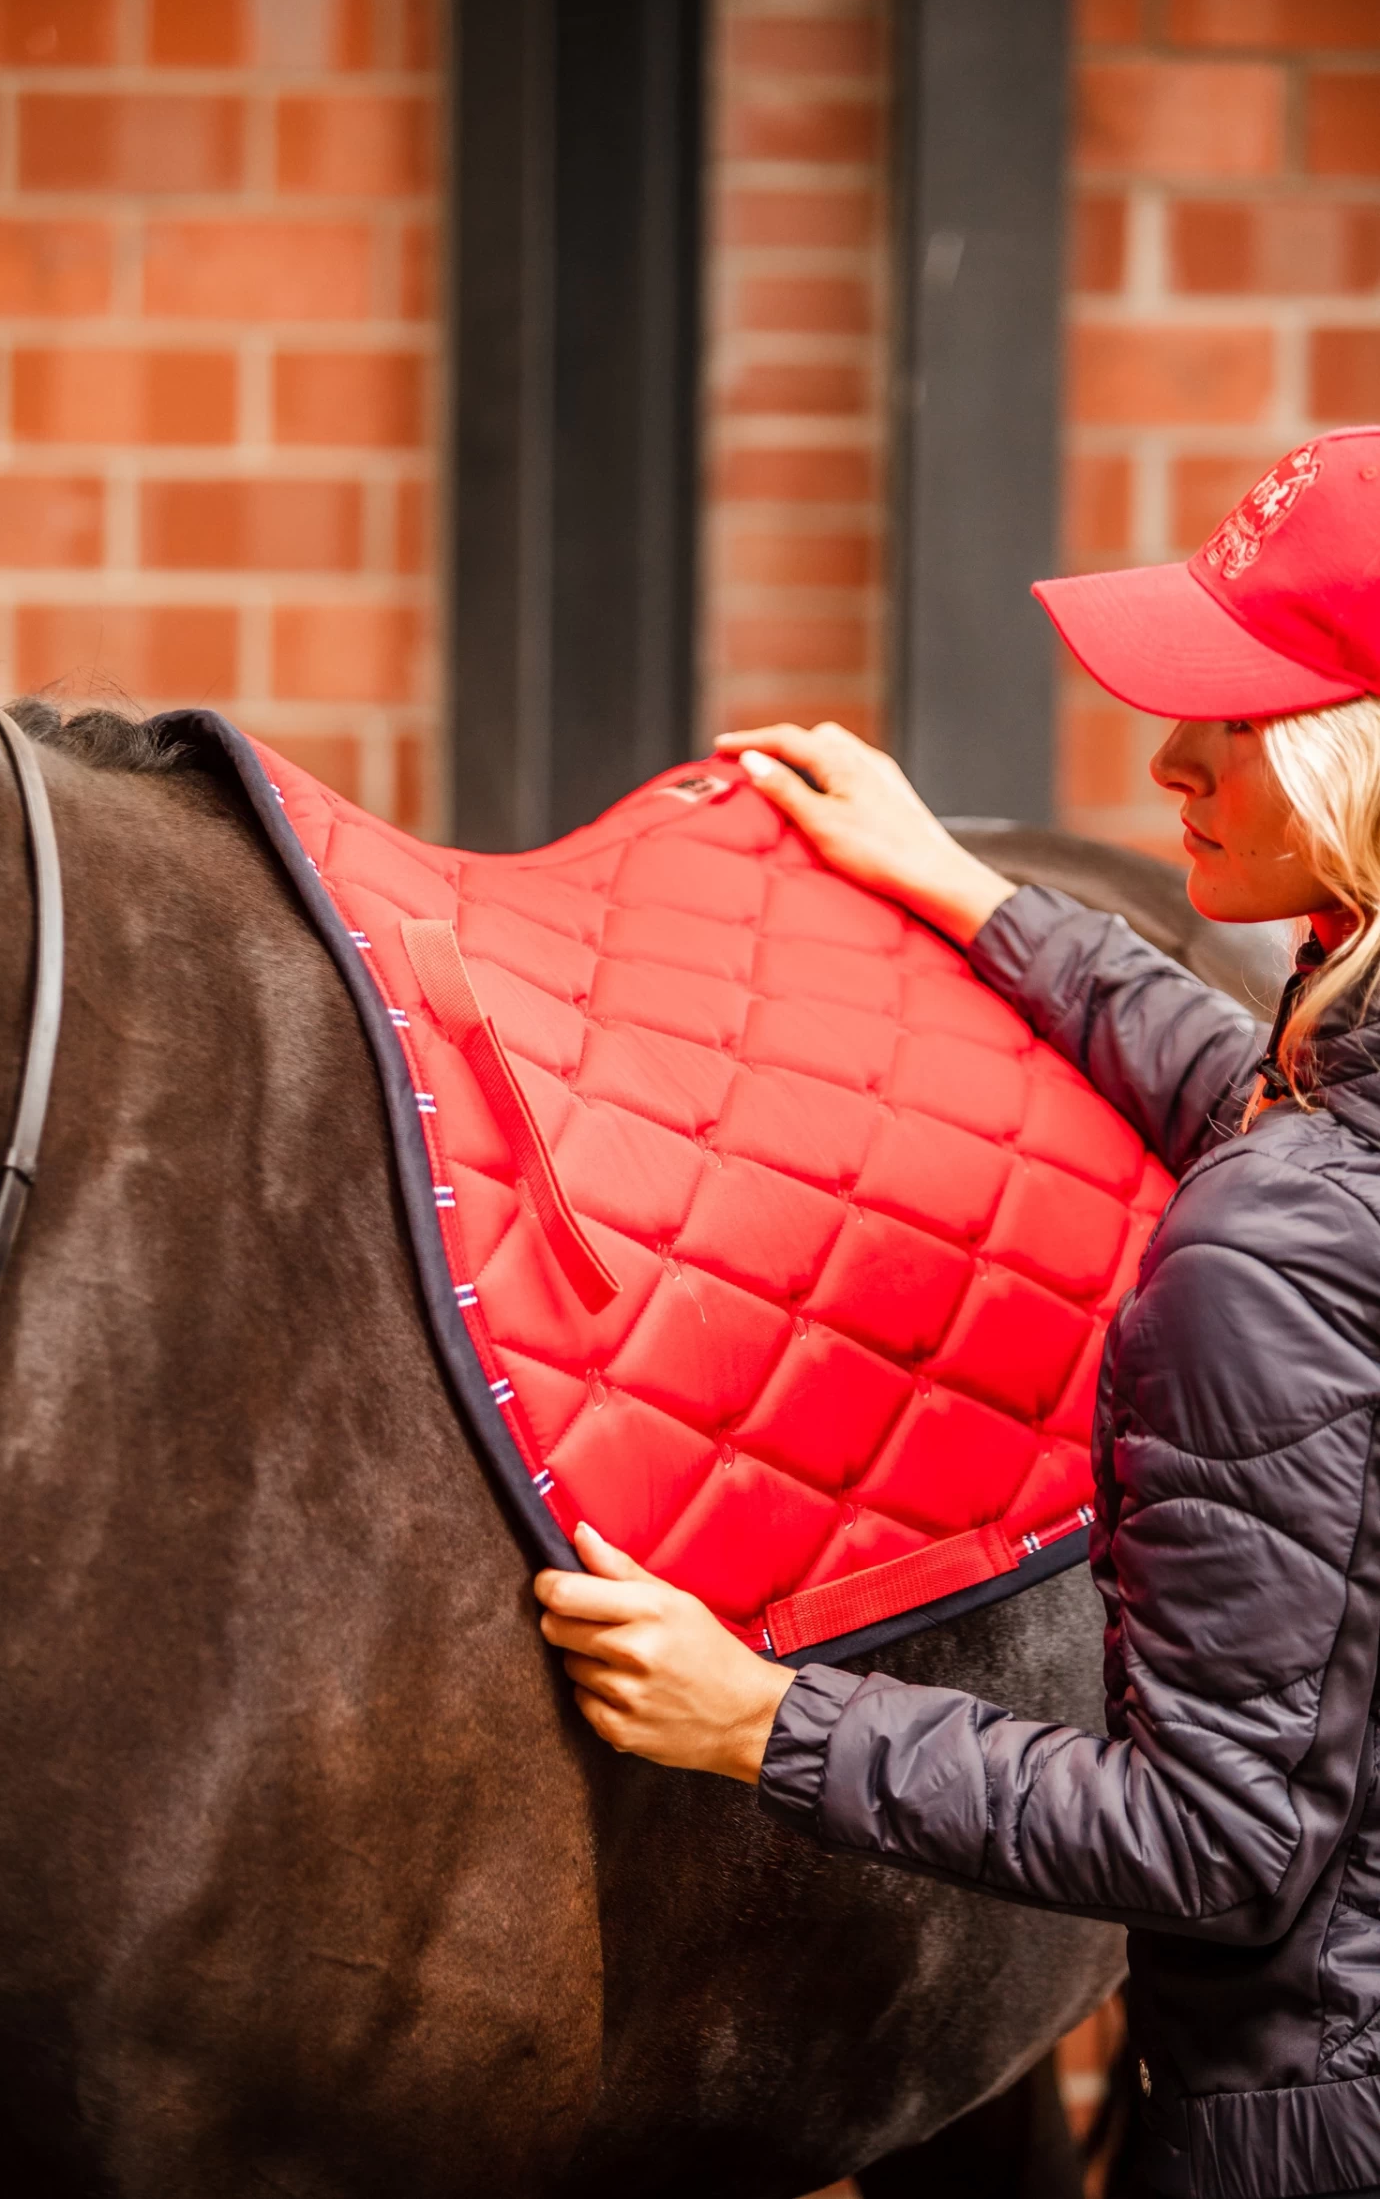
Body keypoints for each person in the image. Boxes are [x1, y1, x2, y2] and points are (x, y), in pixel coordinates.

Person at [535, 425, 1380, 2199]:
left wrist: (757, 1717)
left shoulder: (1268, 1254)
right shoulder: (1334, 1124)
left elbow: (1216, 1836)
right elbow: (1269, 1103)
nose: (1168, 758)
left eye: (1233, 721)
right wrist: (969, 892)